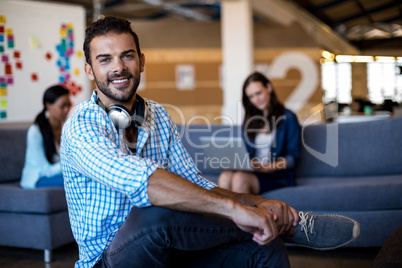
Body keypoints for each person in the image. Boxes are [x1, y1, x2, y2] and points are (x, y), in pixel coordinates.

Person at [60, 16, 360, 268]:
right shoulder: (81, 125)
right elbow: (144, 183)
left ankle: (275, 223)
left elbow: (196, 184)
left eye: (127, 55)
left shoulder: (157, 115)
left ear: (141, 60)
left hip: (168, 247)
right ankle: (290, 227)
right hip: (107, 259)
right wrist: (235, 209)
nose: (119, 67)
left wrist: (259, 203)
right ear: (89, 70)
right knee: (154, 212)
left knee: (265, 247)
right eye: (105, 59)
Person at [218, 72, 300, 194]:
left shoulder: (288, 117)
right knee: (225, 177)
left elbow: (293, 158)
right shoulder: (250, 120)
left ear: (269, 88)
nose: (256, 99)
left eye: (258, 93)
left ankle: (242, 213)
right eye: (251, 97)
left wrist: (266, 168)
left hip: (278, 175)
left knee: (239, 179)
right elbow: (244, 153)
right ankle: (227, 213)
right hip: (254, 172)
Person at [20, 85, 71, 189]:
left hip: (55, 175)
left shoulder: (66, 128)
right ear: (48, 105)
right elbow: (45, 170)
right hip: (37, 178)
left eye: (68, 105)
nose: (66, 110)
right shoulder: (35, 131)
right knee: (77, 180)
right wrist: (72, 162)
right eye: (62, 106)